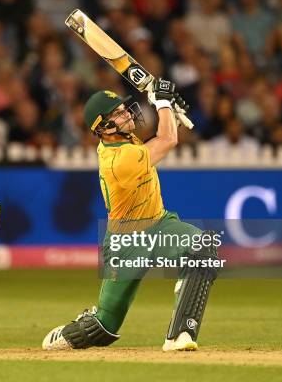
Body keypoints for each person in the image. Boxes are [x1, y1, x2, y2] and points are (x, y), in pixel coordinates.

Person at [42, 80, 219, 352]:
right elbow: (168, 139)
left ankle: (180, 334)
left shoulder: (124, 139)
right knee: (103, 327)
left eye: (124, 108)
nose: (127, 114)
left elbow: (164, 134)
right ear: (103, 127)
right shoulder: (117, 160)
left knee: (203, 248)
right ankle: (70, 333)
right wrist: (162, 104)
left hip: (160, 225)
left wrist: (169, 110)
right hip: (125, 242)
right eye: (118, 113)